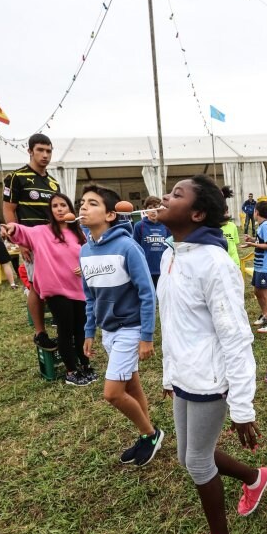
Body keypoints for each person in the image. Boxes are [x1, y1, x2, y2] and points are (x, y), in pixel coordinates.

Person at [156, 175, 267, 534]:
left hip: (209, 379)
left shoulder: (214, 263)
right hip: (185, 375)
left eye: (176, 195)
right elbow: (173, 323)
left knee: (196, 460)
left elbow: (237, 337)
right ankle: (255, 478)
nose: (165, 198)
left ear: (197, 213)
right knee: (189, 455)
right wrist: (171, 373)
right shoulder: (171, 254)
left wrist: (242, 406)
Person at [79, 185, 163, 467]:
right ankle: (146, 436)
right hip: (108, 330)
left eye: (92, 203)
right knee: (132, 384)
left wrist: (147, 336)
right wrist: (90, 331)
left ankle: (150, 434)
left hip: (130, 328)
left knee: (113, 393)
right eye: (82, 203)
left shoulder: (127, 246)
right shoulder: (84, 251)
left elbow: (147, 293)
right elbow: (90, 296)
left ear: (111, 214)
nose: (83, 208)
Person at [3, 193, 93, 386]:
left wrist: (85, 267)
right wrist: (12, 227)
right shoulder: (41, 232)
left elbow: (90, 256)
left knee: (81, 329)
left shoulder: (79, 233)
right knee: (65, 330)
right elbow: (21, 231)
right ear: (50, 211)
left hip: (79, 288)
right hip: (56, 290)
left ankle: (84, 365)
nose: (59, 209)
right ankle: (71, 371)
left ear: (70, 209)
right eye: (55, 206)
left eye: (63, 205)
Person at [3, 133, 60, 350]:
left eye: (49, 151)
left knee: (56, 282)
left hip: (54, 241)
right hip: (32, 242)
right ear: (30, 151)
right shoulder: (16, 177)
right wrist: (20, 242)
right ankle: (40, 333)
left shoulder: (53, 183)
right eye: (40, 150)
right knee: (37, 285)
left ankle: (60, 322)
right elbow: (9, 210)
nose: (45, 155)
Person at [244, 201, 267, 333]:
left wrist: (253, 245)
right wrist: (252, 240)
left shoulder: (266, 226)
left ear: (256, 212)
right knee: (257, 292)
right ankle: (265, 315)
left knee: (265, 293)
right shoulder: (262, 226)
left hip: (265, 266)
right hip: (259, 266)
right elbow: (262, 241)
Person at [132, 196, 168, 288]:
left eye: (156, 207)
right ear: (145, 210)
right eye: (150, 208)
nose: (153, 211)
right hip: (146, 269)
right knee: (150, 296)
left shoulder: (166, 225)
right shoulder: (139, 226)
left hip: (163, 268)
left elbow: (170, 248)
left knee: (162, 296)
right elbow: (135, 248)